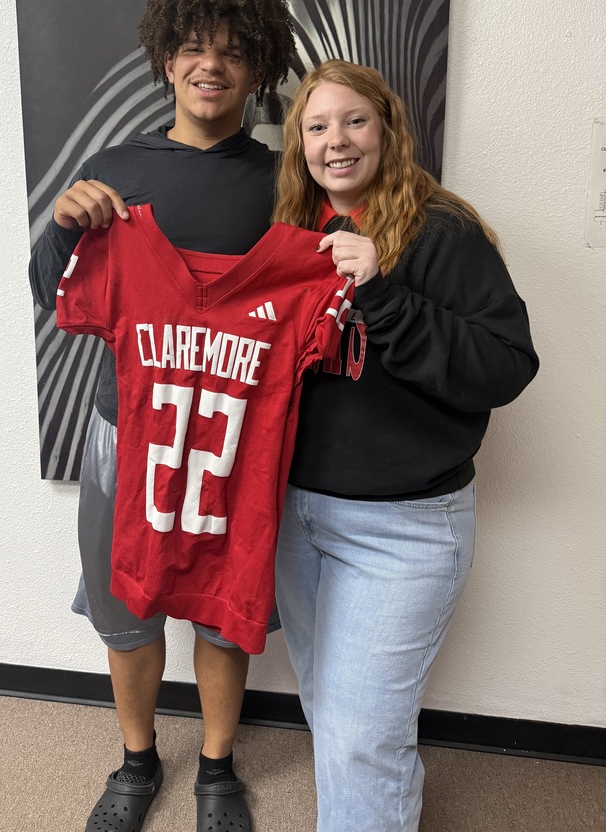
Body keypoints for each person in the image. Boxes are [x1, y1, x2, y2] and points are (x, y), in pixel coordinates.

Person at [29, 0, 295, 832]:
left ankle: (217, 766)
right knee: (124, 607)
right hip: (126, 430)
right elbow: (53, 291)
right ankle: (138, 759)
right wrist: (61, 228)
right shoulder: (113, 168)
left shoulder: (285, 182)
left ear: (259, 66)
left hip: (232, 433)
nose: (209, 64)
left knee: (222, 608)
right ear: (166, 60)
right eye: (191, 47)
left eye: (230, 50)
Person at [272, 59, 539, 832]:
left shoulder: (442, 230)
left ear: (386, 128)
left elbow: (506, 366)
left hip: (406, 529)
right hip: (301, 517)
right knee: (334, 711)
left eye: (355, 121)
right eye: (317, 127)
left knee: (360, 737)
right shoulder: (293, 230)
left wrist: (383, 294)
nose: (337, 141)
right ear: (300, 145)